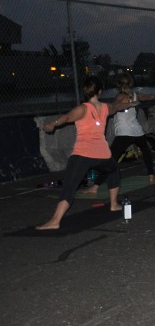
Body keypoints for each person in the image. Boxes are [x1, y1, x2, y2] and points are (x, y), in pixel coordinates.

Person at [35, 75, 139, 230]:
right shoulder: (105, 107)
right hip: (102, 155)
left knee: (70, 187)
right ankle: (113, 204)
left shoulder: (82, 108)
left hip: (82, 155)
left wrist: (52, 124)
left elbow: (66, 117)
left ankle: (55, 221)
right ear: (100, 91)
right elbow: (117, 107)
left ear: (85, 91)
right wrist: (132, 103)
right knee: (114, 171)